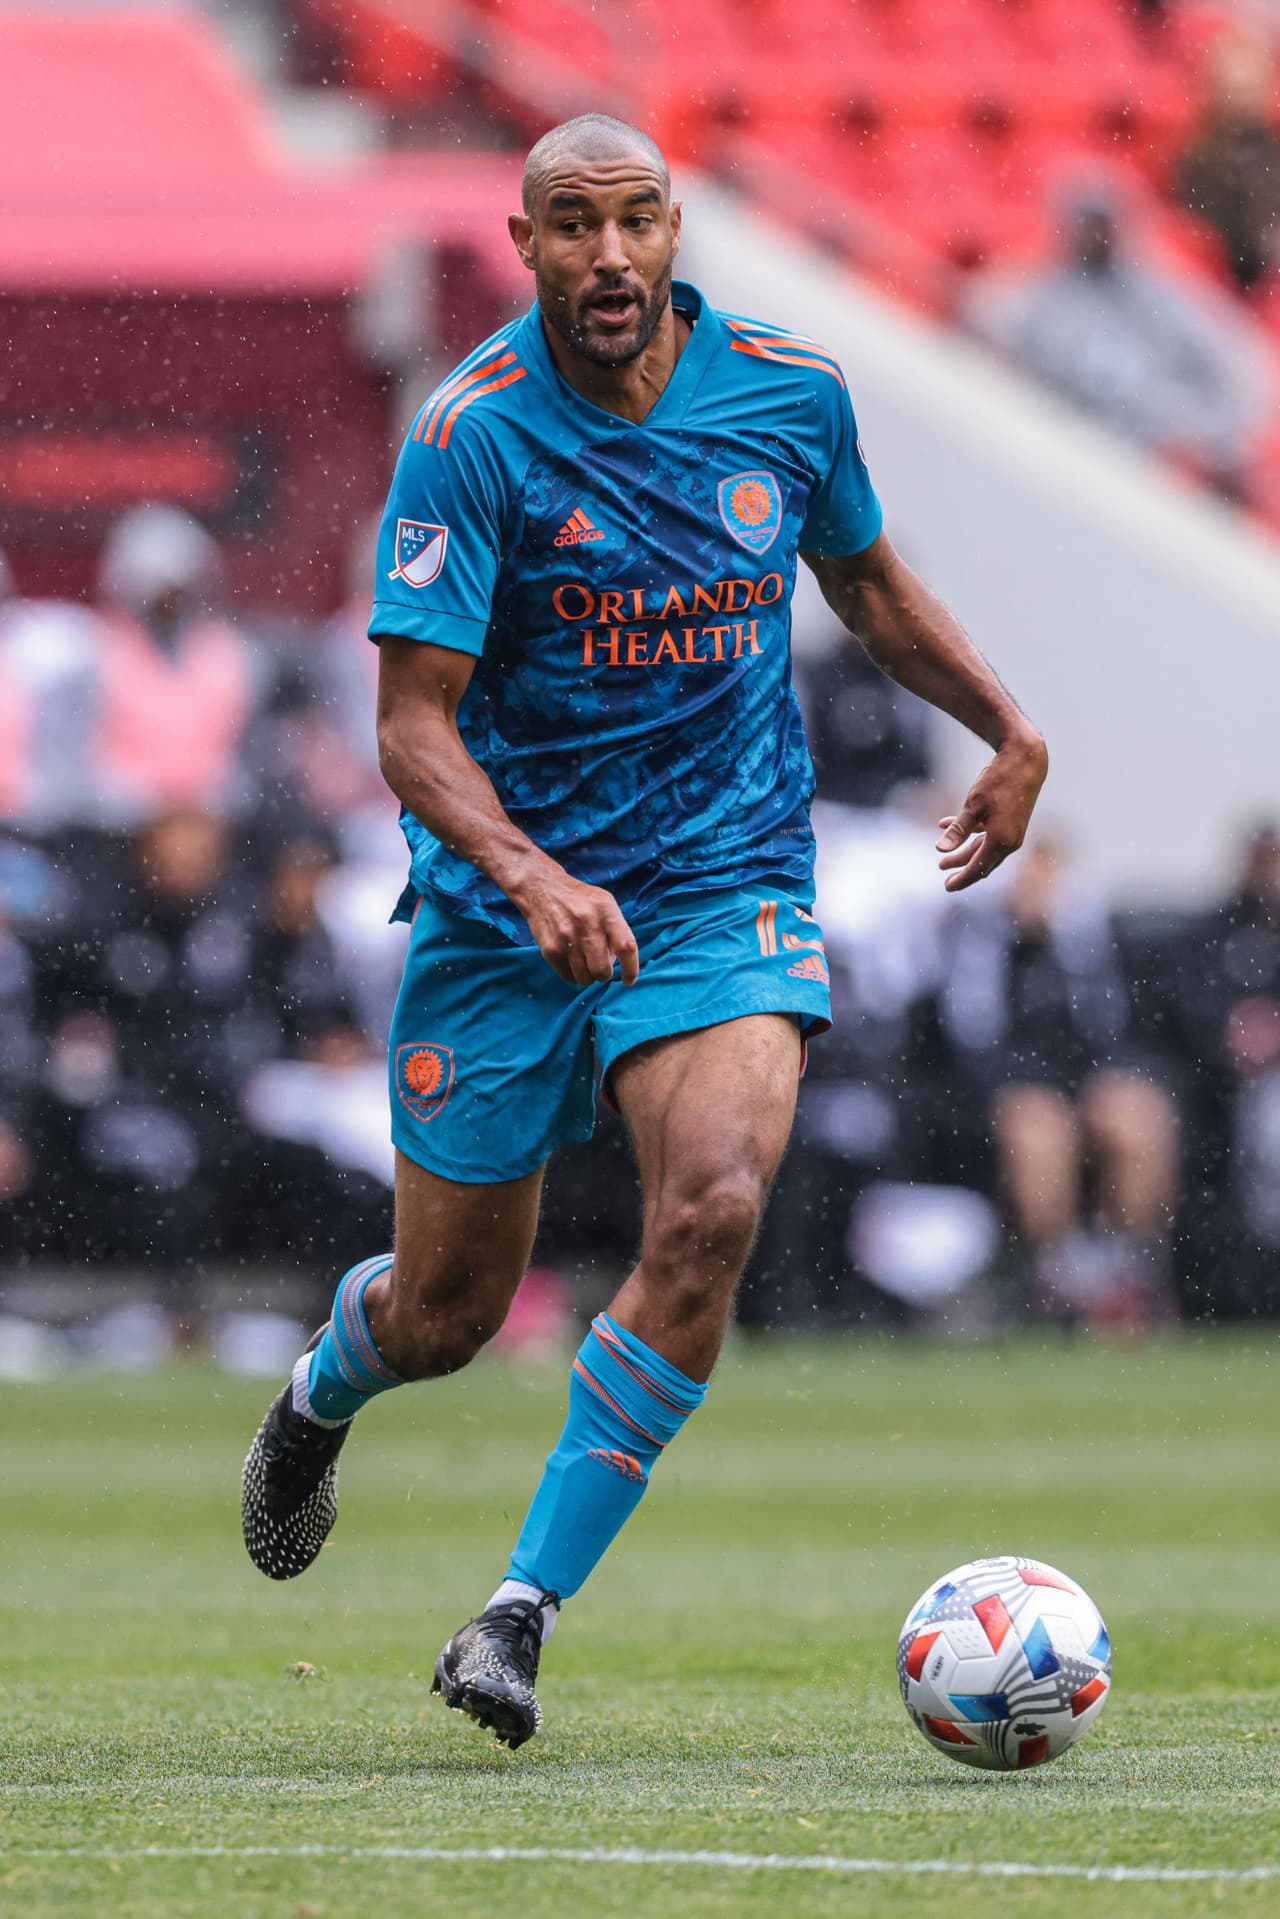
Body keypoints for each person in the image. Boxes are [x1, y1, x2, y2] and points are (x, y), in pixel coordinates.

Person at [239, 113, 1048, 1749]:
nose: (607, 256)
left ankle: (518, 1609)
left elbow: (868, 584)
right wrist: (529, 872)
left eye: (634, 221)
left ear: (675, 229)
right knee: (448, 1315)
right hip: (505, 909)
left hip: (722, 879)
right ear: (526, 246)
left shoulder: (790, 393)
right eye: (572, 226)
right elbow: (411, 724)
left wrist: (1006, 727)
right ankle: (326, 1388)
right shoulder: (471, 435)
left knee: (714, 1205)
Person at [965, 181, 1264, 497]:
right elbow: (988, 316)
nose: (1094, 235)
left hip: (1141, 465)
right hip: (1053, 445)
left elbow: (1244, 379)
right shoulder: (1042, 288)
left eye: (1102, 224)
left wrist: (1186, 428)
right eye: (1086, 222)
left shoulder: (1161, 297)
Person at [1180, 35, 1280, 297]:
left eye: (1249, 90)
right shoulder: (1198, 157)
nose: (1242, 102)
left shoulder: (1272, 148)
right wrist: (1262, 246)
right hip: (1227, 288)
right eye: (1235, 91)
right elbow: (1209, 235)